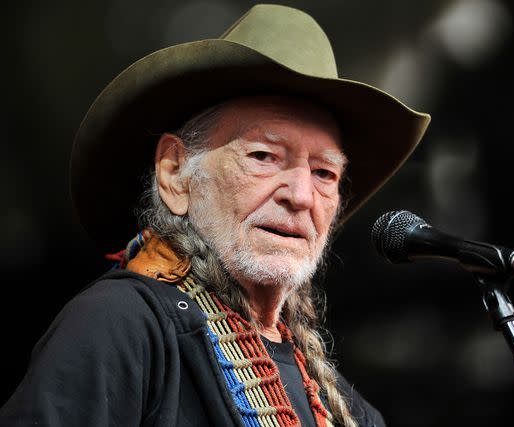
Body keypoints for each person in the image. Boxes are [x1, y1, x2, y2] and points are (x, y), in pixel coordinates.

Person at [0, 4, 430, 426]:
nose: (301, 196)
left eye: (324, 173)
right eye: (263, 155)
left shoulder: (349, 413)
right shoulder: (120, 325)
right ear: (175, 175)